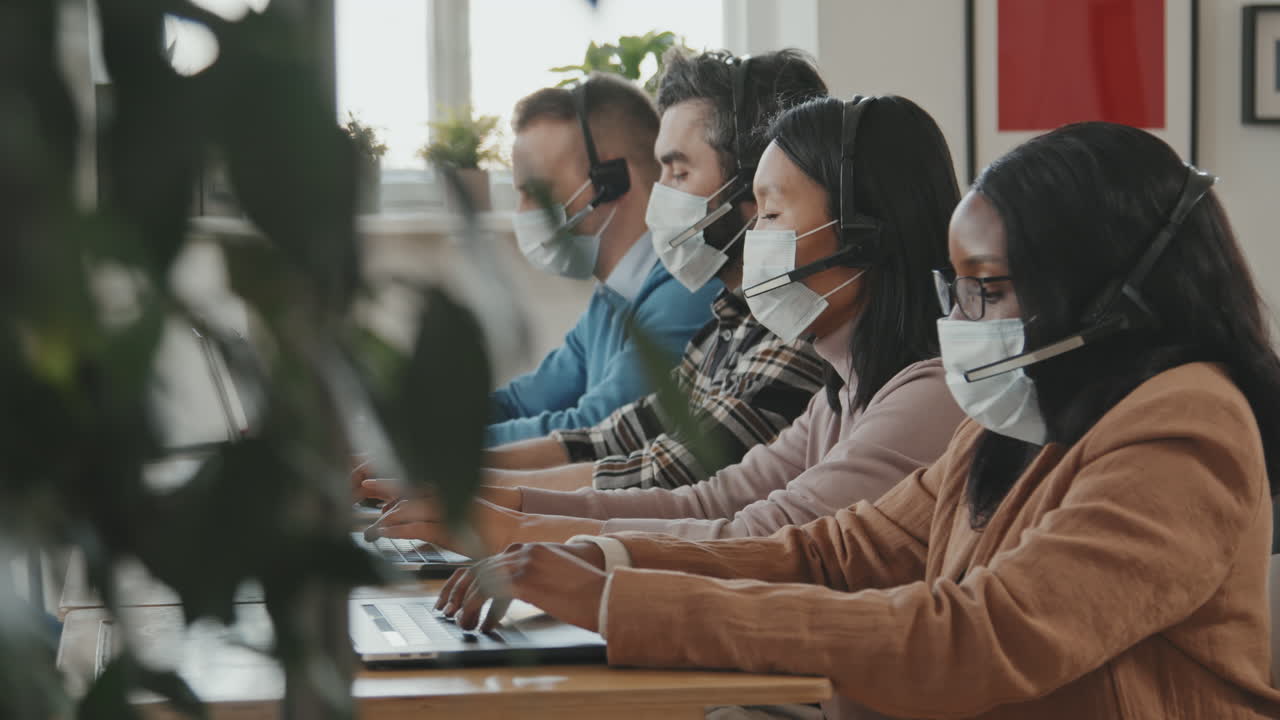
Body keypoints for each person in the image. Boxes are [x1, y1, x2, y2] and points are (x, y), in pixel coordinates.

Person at [435, 122, 1280, 719]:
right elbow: (835, 551)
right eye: (960, 290)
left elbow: (976, 638)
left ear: (1100, 293)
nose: (967, 318)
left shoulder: (1183, 427)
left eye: (990, 287)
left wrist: (619, 598)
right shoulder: (1029, 411)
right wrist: (603, 557)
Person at [366, 94, 966, 548]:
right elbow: (708, 500)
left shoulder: (924, 400)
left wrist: (522, 528)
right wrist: (499, 505)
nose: (751, 236)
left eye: (772, 214)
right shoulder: (837, 399)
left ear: (866, 234)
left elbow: (758, 535)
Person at [482, 49, 830, 493]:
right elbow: (610, 437)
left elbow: (668, 476)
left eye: (679, 173)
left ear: (757, 185)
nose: (659, 195)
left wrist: (468, 487)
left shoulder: (791, 335)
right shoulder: (728, 321)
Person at [487, 73, 721, 446]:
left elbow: (595, 429)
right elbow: (522, 402)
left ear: (610, 181)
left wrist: (452, 452)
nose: (523, 213)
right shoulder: (611, 299)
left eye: (536, 192)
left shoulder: (688, 289)